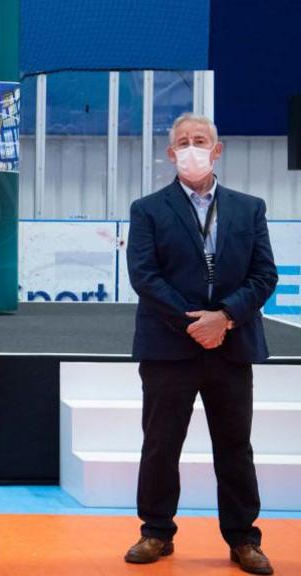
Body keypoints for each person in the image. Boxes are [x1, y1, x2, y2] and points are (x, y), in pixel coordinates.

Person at [125, 113, 278, 575]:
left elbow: (264, 274)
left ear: (217, 149)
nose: (192, 147)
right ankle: (155, 531)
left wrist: (226, 317)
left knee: (234, 447)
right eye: (183, 141)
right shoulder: (148, 209)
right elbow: (144, 276)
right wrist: (195, 323)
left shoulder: (249, 208)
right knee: (160, 444)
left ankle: (243, 538)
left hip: (232, 348)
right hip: (169, 347)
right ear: (171, 153)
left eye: (201, 140)